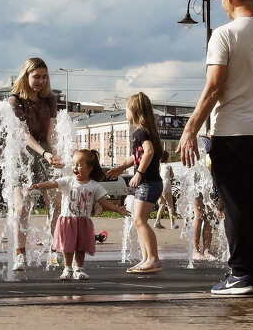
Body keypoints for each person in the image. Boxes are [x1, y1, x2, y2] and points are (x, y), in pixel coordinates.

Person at [178, 0, 253, 296]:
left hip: (233, 134)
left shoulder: (224, 35)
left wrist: (191, 126)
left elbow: (214, 87)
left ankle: (239, 275)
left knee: (236, 207)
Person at [32, 150, 130, 280]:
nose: (75, 168)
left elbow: (103, 201)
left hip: (83, 222)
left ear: (89, 168)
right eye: (73, 164)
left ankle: (79, 268)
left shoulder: (94, 186)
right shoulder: (68, 181)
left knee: (80, 247)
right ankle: (67, 269)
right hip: (67, 220)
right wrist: (39, 185)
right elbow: (53, 183)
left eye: (79, 165)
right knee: (67, 247)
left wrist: (117, 209)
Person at [7, 58, 63, 272]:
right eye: (36, 76)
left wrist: (53, 155)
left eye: (44, 77)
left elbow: (51, 133)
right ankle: (20, 253)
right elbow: (23, 134)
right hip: (23, 154)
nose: (40, 81)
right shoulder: (15, 101)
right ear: (26, 76)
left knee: (55, 204)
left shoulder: (49, 99)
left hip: (46, 152)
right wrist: (45, 153)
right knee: (22, 206)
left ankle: (54, 252)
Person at [107, 92, 165, 274]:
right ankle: (146, 259)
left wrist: (139, 173)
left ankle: (153, 259)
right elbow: (137, 156)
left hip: (148, 183)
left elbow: (148, 152)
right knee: (139, 220)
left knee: (140, 220)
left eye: (126, 110)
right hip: (150, 183)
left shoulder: (141, 132)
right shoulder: (146, 132)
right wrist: (121, 167)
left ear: (134, 111)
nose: (125, 113)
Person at [156, 153, 178, 230]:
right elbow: (172, 176)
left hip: (159, 185)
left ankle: (157, 222)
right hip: (166, 185)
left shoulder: (158, 166)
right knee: (170, 205)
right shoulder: (168, 166)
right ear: (167, 158)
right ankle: (172, 223)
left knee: (161, 204)